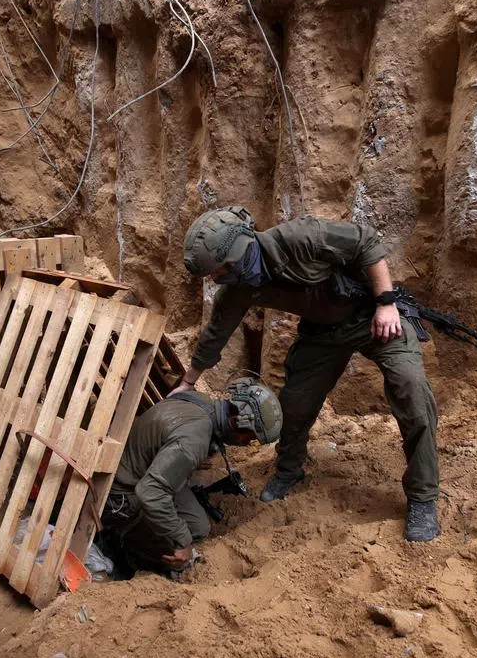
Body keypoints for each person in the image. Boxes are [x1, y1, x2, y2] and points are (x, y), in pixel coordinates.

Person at [175, 206, 441, 541]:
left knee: (412, 392)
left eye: (217, 270)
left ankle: (422, 496)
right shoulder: (239, 287)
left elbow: (367, 241)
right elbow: (215, 335)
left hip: (375, 318)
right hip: (323, 333)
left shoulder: (300, 237)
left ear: (237, 255)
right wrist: (188, 381)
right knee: (295, 405)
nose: (214, 278)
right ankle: (290, 470)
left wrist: (386, 303)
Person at [101, 378, 282, 574]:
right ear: (236, 421)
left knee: (198, 526)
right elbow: (150, 493)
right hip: (121, 495)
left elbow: (171, 438)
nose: (247, 444)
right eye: (250, 437)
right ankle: (124, 551)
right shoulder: (193, 442)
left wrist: (186, 460)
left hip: (142, 469)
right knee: (181, 548)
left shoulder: (201, 401)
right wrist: (182, 542)